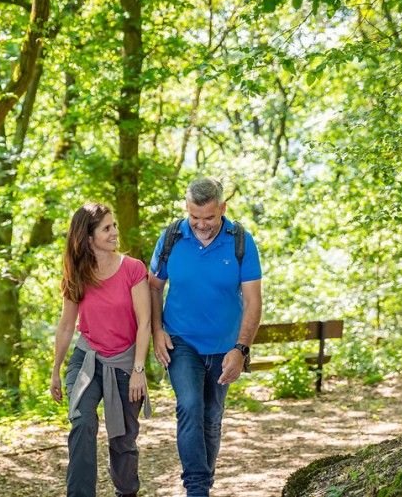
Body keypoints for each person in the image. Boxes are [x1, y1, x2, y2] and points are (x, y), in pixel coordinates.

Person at [149, 178, 263, 497]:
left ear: (222, 208)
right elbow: (153, 287)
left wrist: (241, 349)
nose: (201, 225)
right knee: (189, 405)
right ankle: (197, 489)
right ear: (187, 208)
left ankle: (204, 481)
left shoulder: (241, 240)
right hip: (181, 341)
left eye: (209, 218)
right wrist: (157, 331)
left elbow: (254, 301)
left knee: (212, 417)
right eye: (194, 217)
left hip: (225, 346)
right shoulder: (171, 237)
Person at [51, 202, 152, 497]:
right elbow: (67, 326)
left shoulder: (133, 269)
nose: (114, 232)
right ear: (89, 237)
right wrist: (55, 370)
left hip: (125, 363)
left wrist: (138, 370)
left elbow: (144, 323)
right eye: (106, 228)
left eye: (114, 226)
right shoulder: (77, 274)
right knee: (82, 422)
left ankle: (126, 493)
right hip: (87, 360)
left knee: (123, 441)